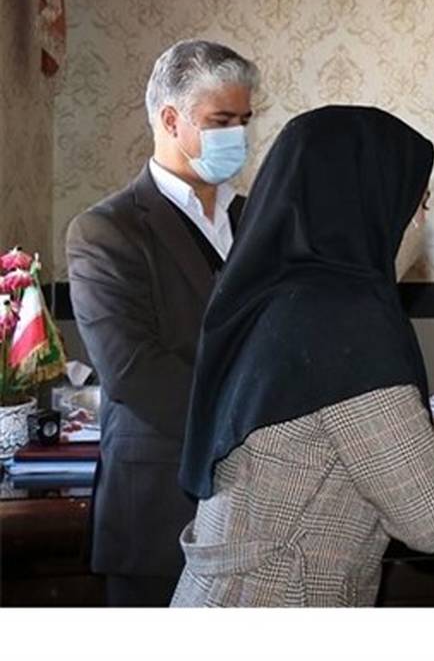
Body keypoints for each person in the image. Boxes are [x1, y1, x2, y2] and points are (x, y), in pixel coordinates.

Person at [171, 105, 434, 607]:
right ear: (370, 202)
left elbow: (360, 445)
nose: (420, 222)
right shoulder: (343, 317)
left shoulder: (281, 297)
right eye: (419, 203)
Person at [66, 39, 259, 606]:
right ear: (172, 120)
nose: (238, 136)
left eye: (244, 121)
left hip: (261, 520)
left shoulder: (257, 219)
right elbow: (134, 372)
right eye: (221, 121)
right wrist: (255, 424)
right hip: (158, 512)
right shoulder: (106, 231)